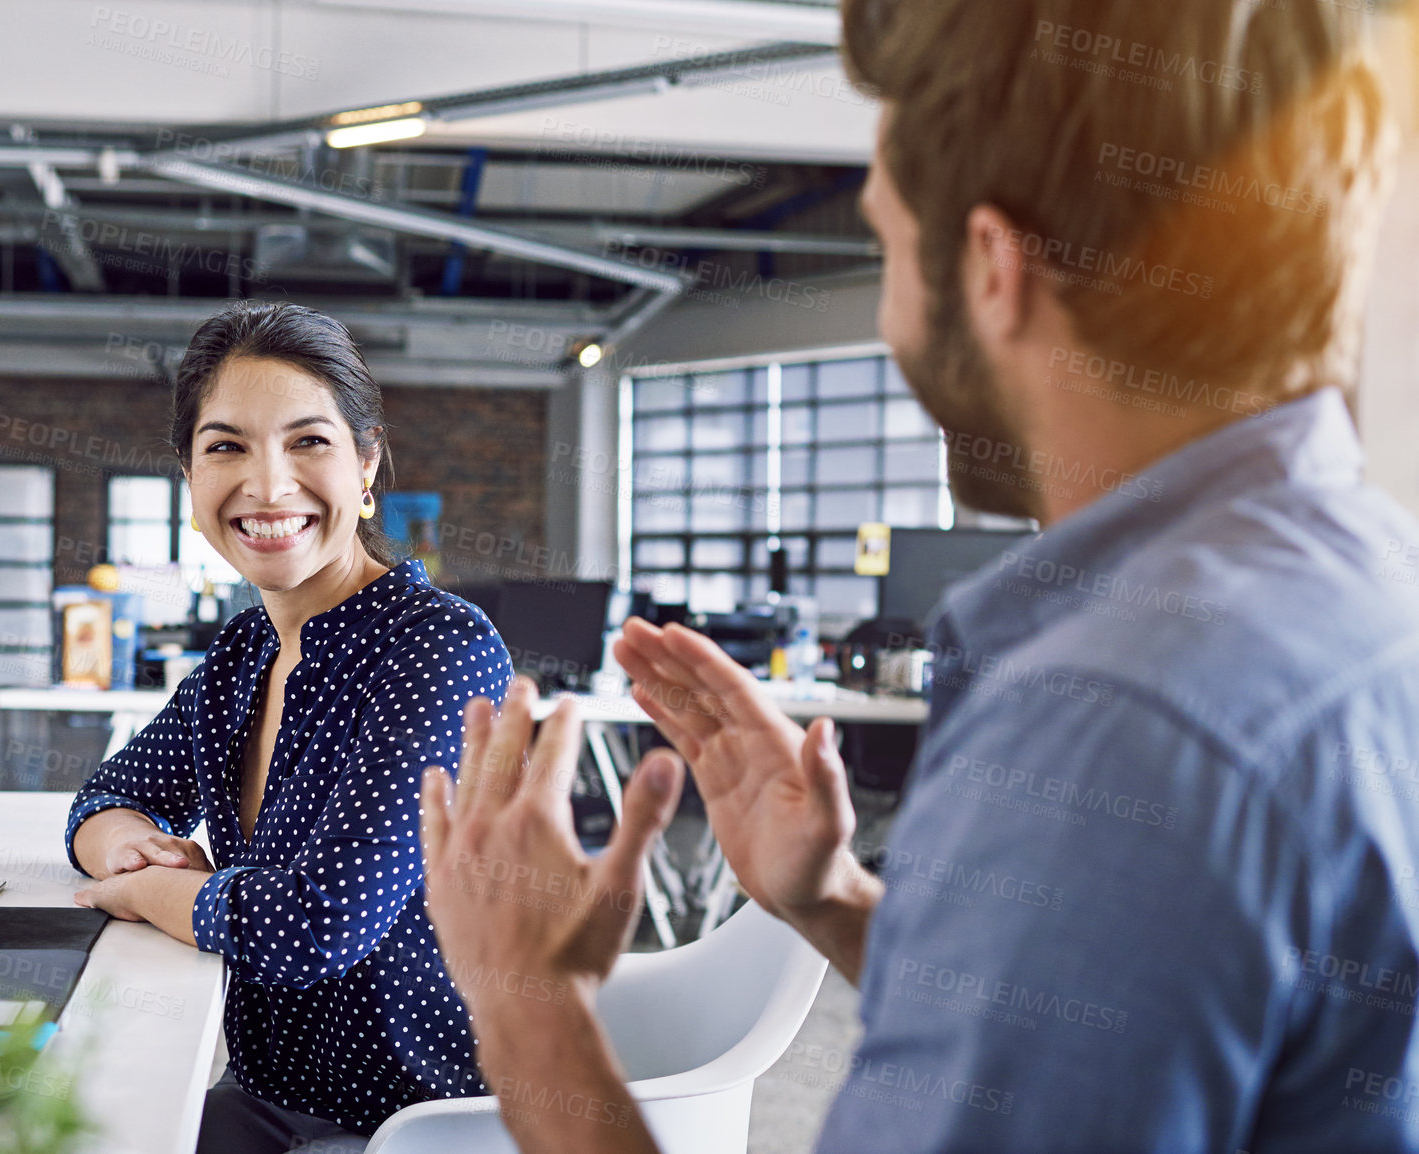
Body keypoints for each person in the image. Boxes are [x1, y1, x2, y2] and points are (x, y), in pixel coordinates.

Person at [417, 0, 1419, 1150]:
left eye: (887, 245)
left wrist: (522, 1002)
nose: (892, 310)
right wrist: (830, 895)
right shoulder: (1364, 585)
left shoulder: (1115, 715)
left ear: (991, 268)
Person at [65, 302, 512, 1151]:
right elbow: (106, 797)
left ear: (366, 463)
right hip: (268, 1095)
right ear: (190, 482)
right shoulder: (243, 652)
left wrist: (145, 891)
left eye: (308, 441)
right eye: (226, 446)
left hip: (417, 1122)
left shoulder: (440, 647)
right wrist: (130, 844)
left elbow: (315, 925)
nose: (268, 486)